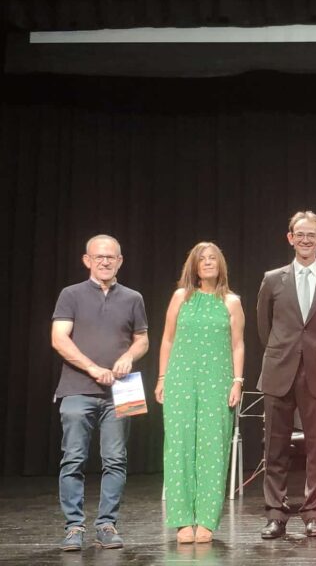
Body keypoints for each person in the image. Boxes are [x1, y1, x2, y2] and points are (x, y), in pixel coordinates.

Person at [51, 235, 149, 551]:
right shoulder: (71, 295)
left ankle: (107, 524)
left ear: (120, 261)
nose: (105, 261)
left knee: (117, 459)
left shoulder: (134, 297)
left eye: (111, 257)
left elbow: (143, 340)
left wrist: (128, 357)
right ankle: (73, 527)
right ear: (87, 260)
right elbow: (59, 339)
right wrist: (93, 369)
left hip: (124, 388)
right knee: (74, 458)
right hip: (77, 388)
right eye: (99, 256)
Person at [256, 211, 316, 539]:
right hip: (279, 370)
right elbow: (264, 326)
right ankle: (276, 514)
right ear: (290, 238)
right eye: (300, 234)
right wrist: (283, 352)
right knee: (274, 447)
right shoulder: (272, 279)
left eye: (312, 235)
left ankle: (313, 513)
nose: (306, 240)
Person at [154, 242, 245, 544]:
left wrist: (237, 381)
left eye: (213, 259)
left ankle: (206, 519)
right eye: (202, 259)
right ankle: (182, 520)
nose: (207, 263)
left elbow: (237, 345)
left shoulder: (231, 301)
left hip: (217, 381)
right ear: (193, 267)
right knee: (178, 445)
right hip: (181, 379)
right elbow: (167, 340)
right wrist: (163, 377)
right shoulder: (182, 297)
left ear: (221, 265)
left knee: (212, 446)